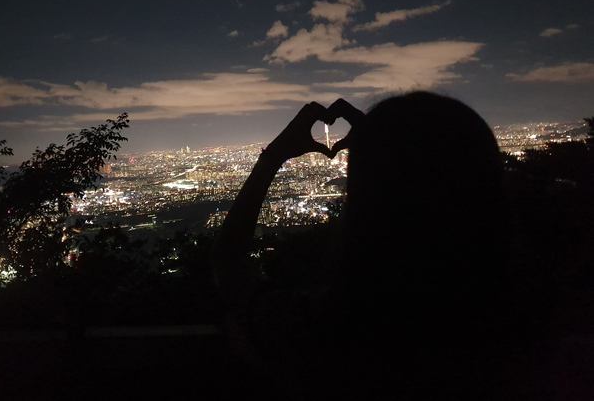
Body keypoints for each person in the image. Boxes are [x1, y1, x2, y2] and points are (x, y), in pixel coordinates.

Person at [212, 92, 514, 400]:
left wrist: (274, 156)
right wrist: (390, 146)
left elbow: (229, 262)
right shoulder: (521, 320)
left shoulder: (326, 335)